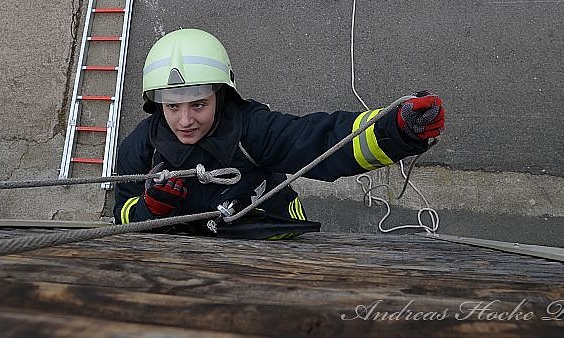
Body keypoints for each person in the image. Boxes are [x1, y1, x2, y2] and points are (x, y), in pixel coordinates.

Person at [113, 28, 445, 239]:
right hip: (178, 252)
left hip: (266, 239)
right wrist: (149, 209)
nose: (185, 120)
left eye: (198, 104)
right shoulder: (140, 149)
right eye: (172, 107)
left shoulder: (252, 130)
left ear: (221, 94)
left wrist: (396, 129)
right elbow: (123, 213)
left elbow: (322, 140)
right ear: (157, 105)